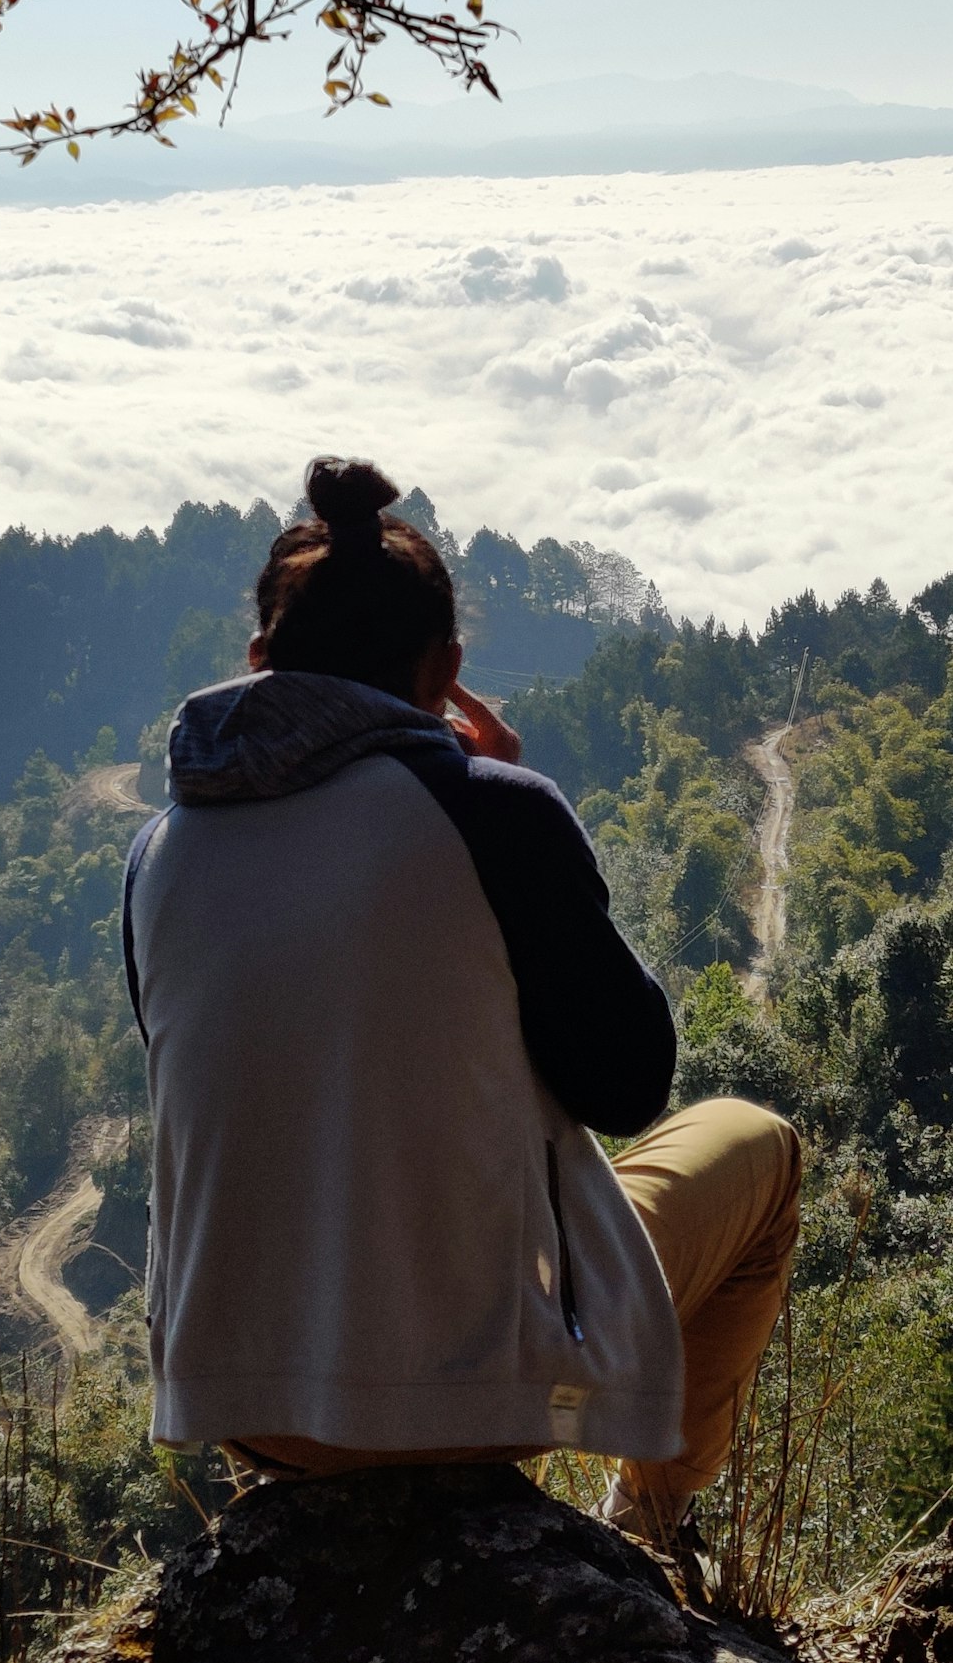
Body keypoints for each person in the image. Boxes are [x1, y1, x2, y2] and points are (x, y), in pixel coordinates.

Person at [123, 456, 800, 1540]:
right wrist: (515, 816)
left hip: (240, 1407)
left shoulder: (156, 852)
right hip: (466, 1393)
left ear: (258, 663)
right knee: (759, 1147)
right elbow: (627, 1084)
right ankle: (655, 1531)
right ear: (446, 669)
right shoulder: (490, 811)